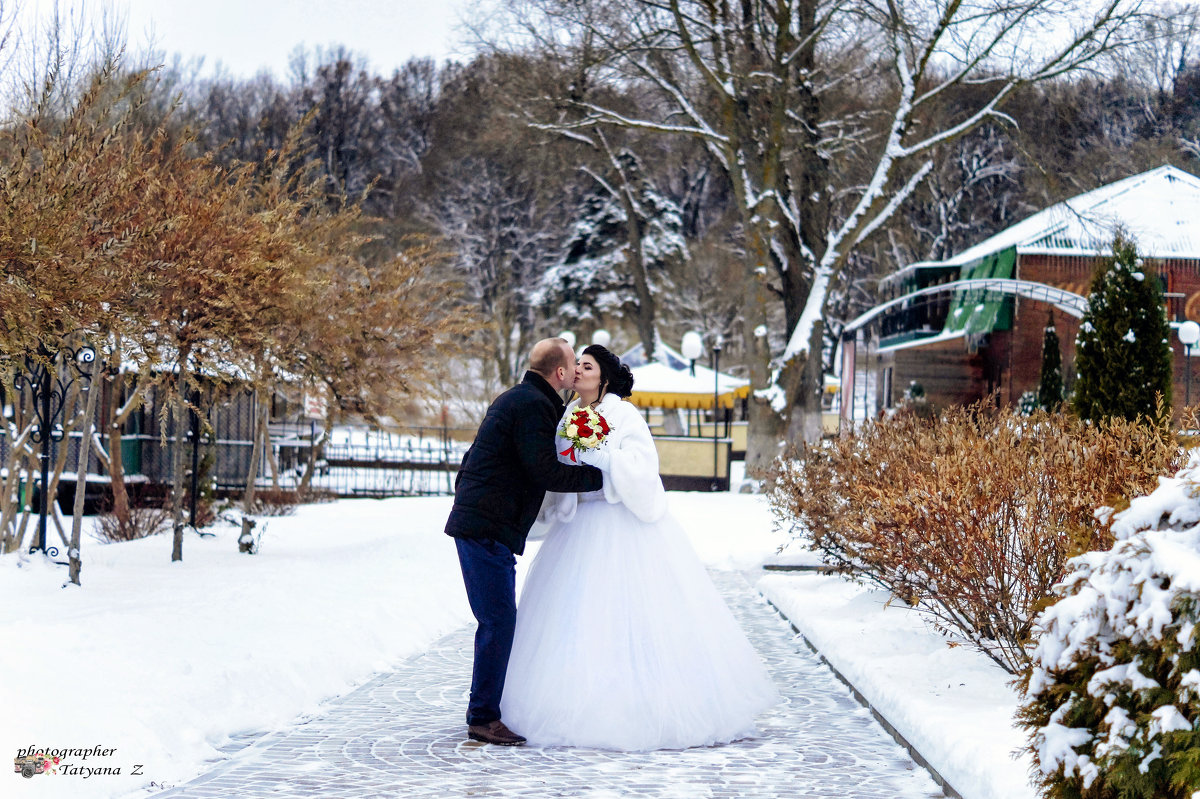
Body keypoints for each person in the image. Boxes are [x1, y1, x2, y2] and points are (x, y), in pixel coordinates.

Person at [500, 344, 779, 751]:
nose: (577, 369)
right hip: (576, 527)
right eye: (576, 363)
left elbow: (643, 469)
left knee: (625, 615)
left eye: (587, 365)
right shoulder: (565, 417)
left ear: (605, 378)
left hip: (620, 525)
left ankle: (641, 704)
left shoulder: (624, 415)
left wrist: (604, 453)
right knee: (576, 619)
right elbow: (554, 468)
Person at [444, 338, 605, 746]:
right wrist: (601, 478)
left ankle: (485, 711)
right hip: (485, 527)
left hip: (486, 523)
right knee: (498, 621)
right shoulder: (532, 405)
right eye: (573, 364)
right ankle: (483, 717)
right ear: (561, 373)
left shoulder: (521, 399)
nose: (576, 370)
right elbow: (545, 471)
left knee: (498, 620)